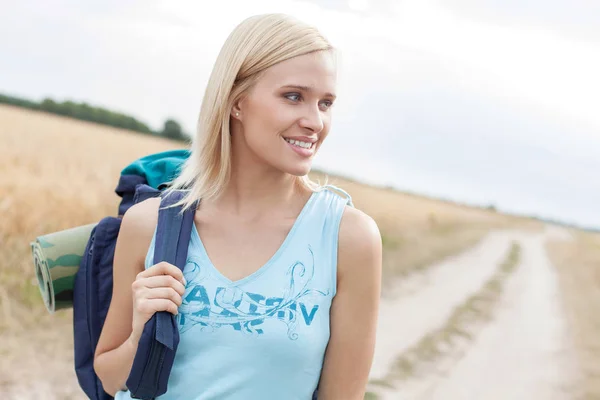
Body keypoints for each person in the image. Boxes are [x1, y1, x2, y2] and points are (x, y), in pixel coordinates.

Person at [93, 13, 382, 400]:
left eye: (325, 103)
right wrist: (140, 334)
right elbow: (110, 379)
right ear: (236, 102)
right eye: (293, 96)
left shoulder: (348, 239)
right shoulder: (151, 224)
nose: (315, 121)